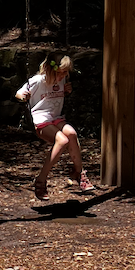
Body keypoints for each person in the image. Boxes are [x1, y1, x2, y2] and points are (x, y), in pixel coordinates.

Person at [15, 53, 95, 199]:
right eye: (60, 73)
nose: (63, 76)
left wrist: (67, 91)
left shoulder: (63, 79)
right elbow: (18, 93)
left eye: (65, 73)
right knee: (62, 140)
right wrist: (23, 96)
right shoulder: (38, 81)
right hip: (40, 119)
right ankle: (41, 180)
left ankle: (79, 173)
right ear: (50, 70)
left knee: (71, 133)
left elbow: (59, 92)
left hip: (55, 118)